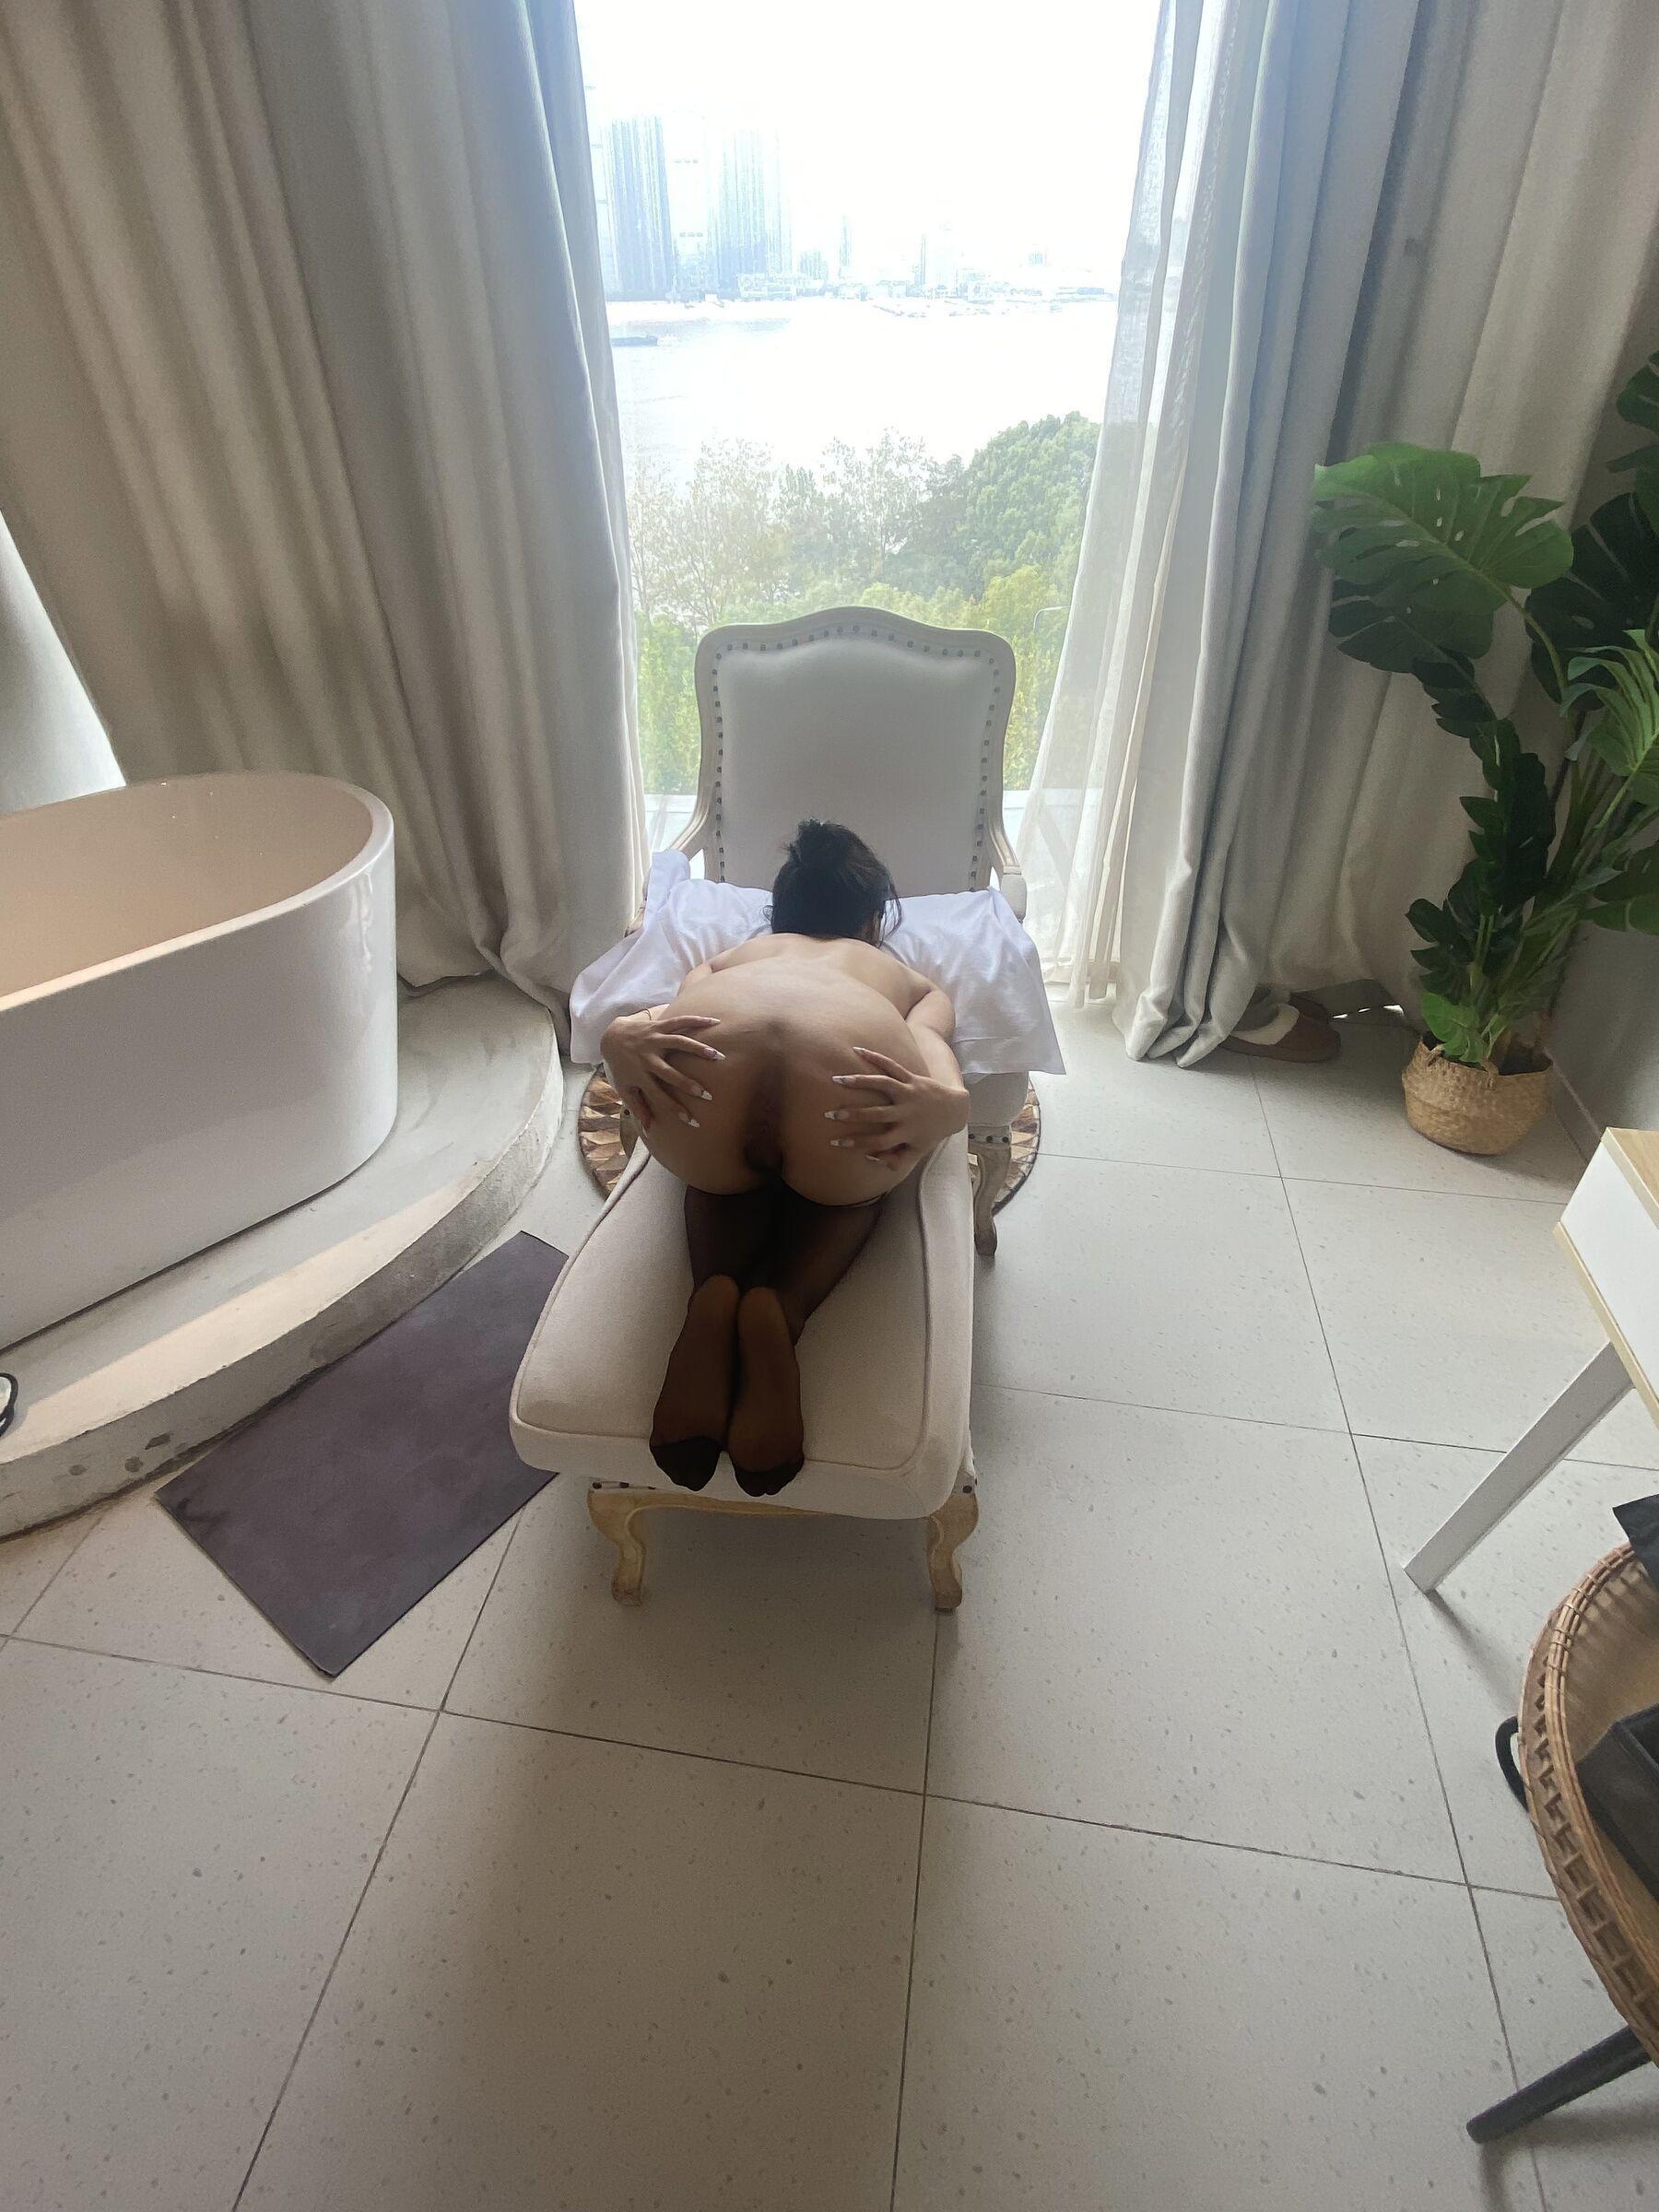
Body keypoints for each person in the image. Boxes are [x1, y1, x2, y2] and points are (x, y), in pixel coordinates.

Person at [601, 820, 969, 1497]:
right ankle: (783, 1309)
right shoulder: (908, 979)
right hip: (842, 1088)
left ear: (779, 914)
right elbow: (932, 1050)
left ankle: (713, 1294)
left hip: (707, 1093)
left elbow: (672, 1014)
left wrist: (619, 1037)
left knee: (720, 1175)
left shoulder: (736, 956)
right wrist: (948, 1103)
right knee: (849, 1195)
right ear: (872, 923)